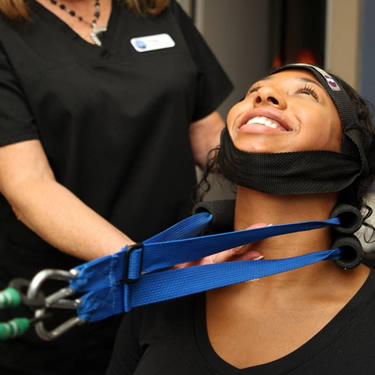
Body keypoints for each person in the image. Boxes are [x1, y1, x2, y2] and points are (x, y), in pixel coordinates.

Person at [0, 0, 234, 374]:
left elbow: (208, 137)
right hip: (68, 302)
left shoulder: (157, 10)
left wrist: (295, 174)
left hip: (174, 289)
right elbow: (28, 186)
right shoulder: (8, 31)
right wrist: (143, 262)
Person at [106, 63, 375, 374]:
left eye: (306, 93)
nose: (264, 95)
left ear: (349, 150)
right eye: (253, 92)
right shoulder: (162, 295)